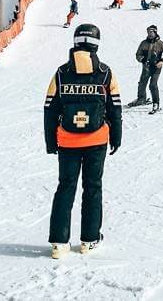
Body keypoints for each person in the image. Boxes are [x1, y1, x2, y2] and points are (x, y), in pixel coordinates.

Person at [44, 23, 122, 258]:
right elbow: (115, 108)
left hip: (67, 141)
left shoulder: (61, 73)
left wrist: (51, 142)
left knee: (65, 188)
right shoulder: (106, 73)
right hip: (96, 140)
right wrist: (116, 138)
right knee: (93, 188)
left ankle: (59, 243)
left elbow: (49, 109)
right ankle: (89, 239)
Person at [131, 26, 163, 112]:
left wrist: (162, 61)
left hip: (156, 68)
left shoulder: (160, 43)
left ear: (155, 32)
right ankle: (141, 99)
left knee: (153, 85)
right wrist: (142, 59)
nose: (149, 34)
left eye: (151, 32)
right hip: (146, 67)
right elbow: (138, 54)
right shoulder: (144, 43)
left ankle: (156, 103)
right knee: (142, 83)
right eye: (148, 32)